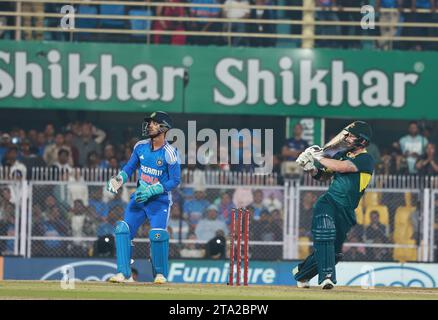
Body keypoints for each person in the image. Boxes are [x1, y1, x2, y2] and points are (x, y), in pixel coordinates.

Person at [293, 121, 374, 289]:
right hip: (329, 201)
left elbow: (343, 167)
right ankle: (327, 278)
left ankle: (301, 273)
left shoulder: (366, 159)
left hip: (346, 210)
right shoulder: (341, 154)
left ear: (363, 141)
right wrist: (309, 168)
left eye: (352, 136)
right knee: (325, 232)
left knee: (334, 253)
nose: (347, 138)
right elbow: (322, 176)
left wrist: (317, 156)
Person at [106, 111, 180, 284]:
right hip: (139, 198)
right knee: (122, 229)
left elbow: (175, 181)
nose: (149, 126)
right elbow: (130, 167)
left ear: (164, 128)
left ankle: (160, 274)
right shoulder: (140, 146)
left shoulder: (170, 152)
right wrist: (119, 179)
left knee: (157, 235)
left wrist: (154, 190)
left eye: (154, 123)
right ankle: (124, 274)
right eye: (149, 123)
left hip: (159, 201)